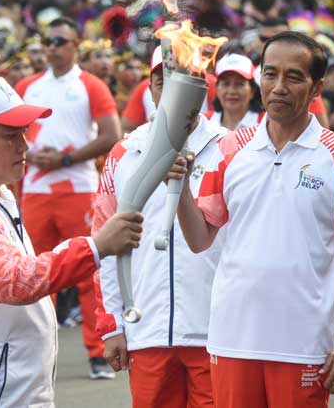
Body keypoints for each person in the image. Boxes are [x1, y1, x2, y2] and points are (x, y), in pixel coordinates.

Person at [170, 31, 334, 407]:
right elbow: (200, 238)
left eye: (294, 77)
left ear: (317, 87)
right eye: (270, 75)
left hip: (302, 343)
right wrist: (180, 187)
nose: (279, 87)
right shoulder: (229, 148)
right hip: (232, 337)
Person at [0, 76, 143, 408]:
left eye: (24, 132)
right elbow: (13, 281)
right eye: (10, 136)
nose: (24, 145)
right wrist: (96, 247)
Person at [94, 47, 223, 408]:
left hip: (214, 331)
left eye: (185, 81)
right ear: (150, 88)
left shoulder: (229, 148)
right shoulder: (124, 153)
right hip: (147, 331)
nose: (172, 92)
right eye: (162, 82)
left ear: (201, 87)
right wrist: (113, 326)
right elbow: (105, 246)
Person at [15, 17, 121, 379]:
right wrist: (31, 156)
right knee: (37, 275)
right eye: (48, 41)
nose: (52, 47)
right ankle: (38, 355)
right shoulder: (27, 86)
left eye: (60, 40)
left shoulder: (90, 85)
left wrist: (65, 158)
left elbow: (111, 134)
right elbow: (8, 134)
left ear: (76, 44)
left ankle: (97, 351)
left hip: (78, 187)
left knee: (88, 271)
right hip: (37, 191)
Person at [205, 53, 263, 130]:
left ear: (252, 90)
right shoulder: (203, 122)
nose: (231, 91)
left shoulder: (266, 123)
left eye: (239, 84)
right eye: (226, 84)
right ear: (217, 89)